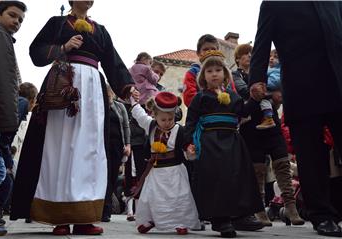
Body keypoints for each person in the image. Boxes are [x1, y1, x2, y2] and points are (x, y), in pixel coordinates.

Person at [10, 0, 135, 236]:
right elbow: (36, 52)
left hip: (92, 93)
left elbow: (113, 63)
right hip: (63, 86)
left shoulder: (101, 30)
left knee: (89, 149)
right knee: (59, 149)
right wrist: (63, 47)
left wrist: (128, 87)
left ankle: (84, 217)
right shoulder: (57, 23)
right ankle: (59, 217)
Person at [248, 1, 342, 237]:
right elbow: (262, 42)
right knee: (311, 155)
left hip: (338, 82)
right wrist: (256, 80)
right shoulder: (273, 4)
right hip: (302, 87)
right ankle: (322, 215)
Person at [184, 50, 264, 238]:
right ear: (203, 76)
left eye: (218, 70)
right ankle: (220, 220)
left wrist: (254, 99)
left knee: (236, 177)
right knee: (215, 179)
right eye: (209, 71)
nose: (214, 73)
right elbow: (191, 121)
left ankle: (239, 214)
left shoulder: (233, 96)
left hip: (233, 143)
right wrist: (189, 143)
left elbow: (244, 112)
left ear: (225, 74)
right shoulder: (200, 97)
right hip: (210, 143)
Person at [233, 43, 304, 227]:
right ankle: (259, 210)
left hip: (272, 125)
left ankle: (290, 206)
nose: (249, 56)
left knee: (282, 164)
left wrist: (268, 94)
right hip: (252, 128)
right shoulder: (236, 76)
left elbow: (276, 90)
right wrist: (268, 93)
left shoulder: (267, 71)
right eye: (245, 54)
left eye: (251, 53)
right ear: (238, 60)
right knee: (258, 171)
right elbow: (243, 91)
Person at [0, 1, 27, 236]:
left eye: (21, 20)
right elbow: (2, 81)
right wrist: (9, 120)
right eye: (13, 16)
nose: (17, 22)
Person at [129, 91, 200, 235]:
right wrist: (132, 99)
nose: (167, 122)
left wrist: (190, 151)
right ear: (154, 116)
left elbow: (186, 146)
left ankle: (181, 222)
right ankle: (149, 220)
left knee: (178, 197)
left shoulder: (180, 130)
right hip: (155, 171)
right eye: (163, 119)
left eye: (170, 119)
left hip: (175, 171)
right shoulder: (150, 125)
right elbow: (139, 114)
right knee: (153, 196)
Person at [0, 82, 38, 226]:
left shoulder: (16, 103)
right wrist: (8, 159)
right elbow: (8, 132)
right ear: (32, 99)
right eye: (35, 101)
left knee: (4, 181)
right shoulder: (22, 103)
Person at [101, 85, 131, 222]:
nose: (107, 98)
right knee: (103, 177)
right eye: (105, 96)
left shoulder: (120, 107)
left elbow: (126, 126)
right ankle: (103, 210)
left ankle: (106, 209)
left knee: (113, 177)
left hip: (117, 146)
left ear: (112, 94)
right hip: (102, 145)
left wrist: (128, 144)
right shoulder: (100, 106)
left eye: (109, 96)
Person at [182, 34, 219, 107]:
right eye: (205, 49)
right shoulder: (192, 73)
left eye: (213, 49)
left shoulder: (224, 72)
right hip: (202, 115)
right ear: (198, 53)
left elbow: (233, 94)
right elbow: (189, 98)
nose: (210, 52)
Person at [255, 49, 281, 129]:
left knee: (264, 100)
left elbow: (276, 81)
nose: (272, 58)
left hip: (270, 91)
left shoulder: (278, 70)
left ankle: (268, 119)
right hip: (271, 92)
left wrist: (264, 84)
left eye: (275, 57)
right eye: (270, 56)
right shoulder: (270, 69)